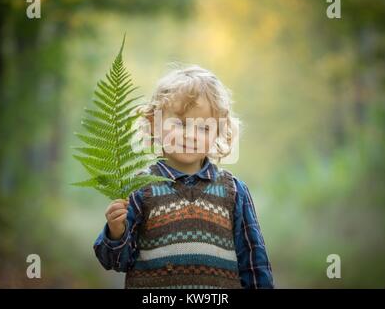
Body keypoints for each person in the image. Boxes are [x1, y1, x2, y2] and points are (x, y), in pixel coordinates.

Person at [93, 64, 274, 289]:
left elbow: (254, 263)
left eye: (205, 128)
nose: (191, 135)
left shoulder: (234, 192)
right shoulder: (140, 189)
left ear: (219, 132)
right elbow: (115, 262)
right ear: (154, 123)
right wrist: (115, 231)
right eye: (179, 123)